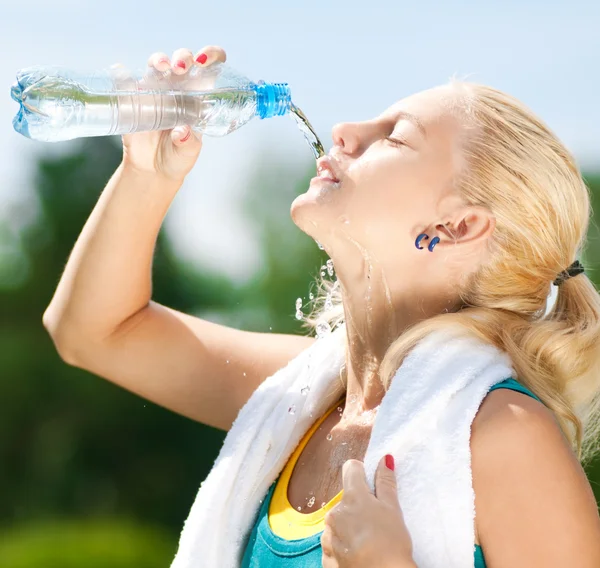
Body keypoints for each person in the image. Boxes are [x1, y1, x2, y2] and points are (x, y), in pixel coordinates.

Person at [43, 45, 600, 567]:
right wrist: (147, 174)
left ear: (455, 227)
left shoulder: (506, 434)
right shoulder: (299, 396)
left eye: (396, 137)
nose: (345, 130)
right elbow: (92, 331)